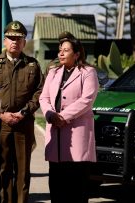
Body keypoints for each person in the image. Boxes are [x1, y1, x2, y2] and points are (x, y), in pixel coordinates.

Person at [0, 20, 44, 203]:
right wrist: (0, 113)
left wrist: (24, 112)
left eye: (19, 38)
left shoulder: (33, 65)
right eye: (11, 38)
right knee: (3, 166)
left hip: (24, 122)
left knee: (22, 167)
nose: (15, 41)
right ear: (4, 41)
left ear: (24, 42)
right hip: (1, 122)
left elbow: (40, 92)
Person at [39, 33, 99, 203]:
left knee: (76, 187)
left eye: (66, 50)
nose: (61, 54)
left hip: (77, 136)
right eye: (60, 50)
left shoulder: (88, 72)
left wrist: (63, 117)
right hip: (55, 137)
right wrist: (50, 114)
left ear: (77, 53)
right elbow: (44, 98)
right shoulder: (53, 72)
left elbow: (87, 100)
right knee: (57, 185)